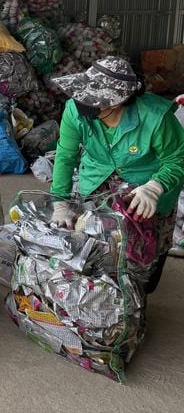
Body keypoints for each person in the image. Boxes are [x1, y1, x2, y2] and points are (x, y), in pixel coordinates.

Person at [50, 56, 184, 293]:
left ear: (115, 103)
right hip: (98, 181)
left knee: (144, 258)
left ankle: (136, 295)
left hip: (146, 190)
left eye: (92, 100)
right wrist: (60, 201)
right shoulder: (74, 110)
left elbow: (177, 159)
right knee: (95, 250)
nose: (82, 102)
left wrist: (155, 187)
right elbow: (65, 156)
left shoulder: (156, 117)